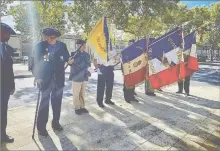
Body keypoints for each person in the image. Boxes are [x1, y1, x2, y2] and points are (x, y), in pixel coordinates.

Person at [32, 28, 72, 136]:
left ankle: (55, 123)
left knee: (57, 103)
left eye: (51, 37)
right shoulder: (40, 46)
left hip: (58, 79)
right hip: (45, 80)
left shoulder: (62, 46)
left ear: (55, 37)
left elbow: (67, 58)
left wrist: (70, 61)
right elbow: (34, 62)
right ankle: (41, 127)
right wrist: (37, 76)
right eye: (46, 36)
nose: (49, 39)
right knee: (44, 104)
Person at [1, 23, 16, 143]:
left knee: (3, 111)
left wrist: (12, 85)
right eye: (8, 33)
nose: (9, 36)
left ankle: (2, 134)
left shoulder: (6, 48)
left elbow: (10, 69)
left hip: (4, 87)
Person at [70, 39, 91, 115]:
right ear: (78, 45)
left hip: (85, 76)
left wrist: (90, 71)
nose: (85, 46)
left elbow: (89, 64)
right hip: (76, 76)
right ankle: (77, 107)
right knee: (76, 93)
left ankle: (82, 106)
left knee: (82, 93)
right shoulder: (73, 54)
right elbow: (72, 64)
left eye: (85, 45)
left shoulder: (87, 54)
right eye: (83, 45)